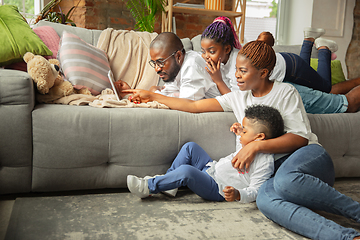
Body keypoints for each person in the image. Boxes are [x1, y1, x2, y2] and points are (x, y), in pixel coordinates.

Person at [123, 40, 360, 240]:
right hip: (272, 171)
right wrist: (150, 95)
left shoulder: (286, 92)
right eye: (236, 69)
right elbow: (194, 106)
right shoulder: (238, 98)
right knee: (266, 202)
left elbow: (298, 138)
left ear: (263, 73)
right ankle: (346, 237)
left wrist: (256, 145)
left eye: (243, 71)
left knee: (286, 183)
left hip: (307, 158)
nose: (236, 75)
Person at [127, 104, 284, 203]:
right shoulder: (249, 143)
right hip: (212, 169)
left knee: (187, 171)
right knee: (190, 147)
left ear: (259, 137)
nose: (241, 132)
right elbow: (240, 146)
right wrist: (239, 133)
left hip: (216, 188)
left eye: (245, 130)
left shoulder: (264, 162)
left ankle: (149, 187)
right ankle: (169, 185)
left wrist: (238, 194)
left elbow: (256, 190)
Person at [148, 32, 221, 100]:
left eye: (161, 62)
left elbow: (186, 104)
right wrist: (154, 92)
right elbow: (167, 91)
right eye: (154, 63)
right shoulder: (177, 68)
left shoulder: (191, 66)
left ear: (178, 56)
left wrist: (153, 94)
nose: (157, 69)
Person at [200, 16, 241, 93]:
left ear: (227, 49)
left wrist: (218, 80)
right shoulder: (220, 59)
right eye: (203, 51)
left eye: (211, 52)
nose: (206, 56)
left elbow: (235, 100)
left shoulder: (238, 64)